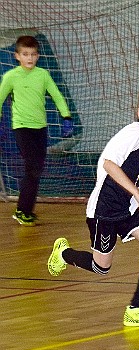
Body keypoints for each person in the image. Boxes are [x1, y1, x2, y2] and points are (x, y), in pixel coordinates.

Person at [47, 86, 139, 327]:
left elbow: (137, 178)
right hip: (104, 209)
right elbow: (109, 165)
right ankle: (63, 253)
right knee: (100, 267)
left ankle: (136, 310)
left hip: (129, 207)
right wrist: (136, 193)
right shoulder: (133, 134)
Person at [0, 35, 73, 226]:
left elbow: (57, 95)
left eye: (33, 54)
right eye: (25, 54)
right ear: (17, 56)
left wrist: (66, 117)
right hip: (22, 128)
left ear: (38, 56)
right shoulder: (10, 77)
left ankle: (25, 210)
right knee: (32, 168)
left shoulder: (43, 75)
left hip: (40, 128)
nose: (29, 58)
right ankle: (22, 210)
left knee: (36, 170)